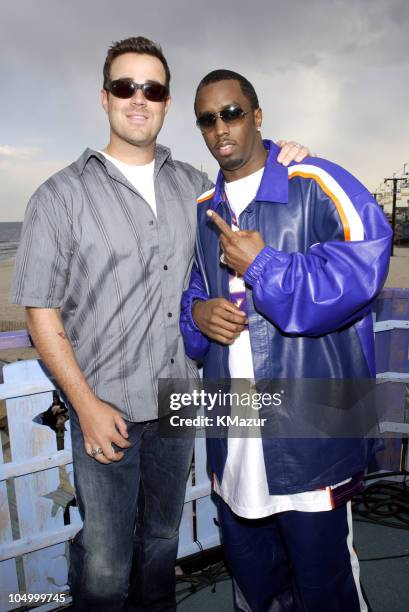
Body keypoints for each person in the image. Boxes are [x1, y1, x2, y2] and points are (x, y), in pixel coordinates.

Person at [11, 38, 309, 611]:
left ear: (167, 101)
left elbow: (251, 171)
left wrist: (287, 154)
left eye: (153, 88)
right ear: (105, 98)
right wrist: (85, 406)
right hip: (105, 408)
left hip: (179, 400)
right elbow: (40, 312)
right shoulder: (59, 196)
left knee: (160, 546)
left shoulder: (195, 186)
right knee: (104, 561)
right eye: (126, 86)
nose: (139, 99)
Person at [180, 69, 392, 612]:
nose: (220, 127)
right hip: (234, 437)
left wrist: (264, 265)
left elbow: (362, 276)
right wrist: (199, 314)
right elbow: (191, 293)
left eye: (231, 112)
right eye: (207, 119)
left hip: (312, 433)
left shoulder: (317, 181)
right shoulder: (206, 208)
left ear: (256, 114)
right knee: (255, 584)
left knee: (326, 590)